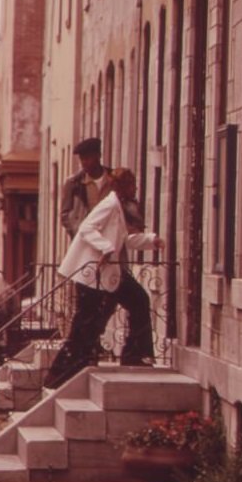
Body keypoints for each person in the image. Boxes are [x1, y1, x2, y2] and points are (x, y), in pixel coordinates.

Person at [45, 168, 164, 389]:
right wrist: (106, 248)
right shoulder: (109, 204)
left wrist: (151, 241)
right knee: (86, 323)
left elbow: (125, 239)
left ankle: (135, 354)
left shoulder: (118, 207)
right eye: (132, 185)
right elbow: (86, 229)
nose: (136, 188)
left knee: (135, 301)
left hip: (108, 275)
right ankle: (60, 373)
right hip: (95, 274)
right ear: (123, 187)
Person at [60, 137, 113, 238]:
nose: (84, 162)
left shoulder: (114, 180)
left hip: (110, 237)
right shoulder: (74, 183)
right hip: (85, 240)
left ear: (98, 156)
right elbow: (65, 215)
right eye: (82, 159)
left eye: (87, 158)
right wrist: (77, 229)